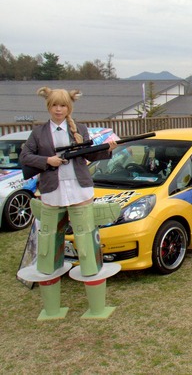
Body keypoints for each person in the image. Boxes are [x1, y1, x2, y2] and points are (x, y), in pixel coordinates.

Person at [19, 87, 119, 316]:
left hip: (78, 189)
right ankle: (52, 308)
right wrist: (48, 160)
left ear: (69, 108)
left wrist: (108, 149)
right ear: (49, 106)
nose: (58, 109)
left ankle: (97, 307)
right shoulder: (39, 132)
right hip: (53, 191)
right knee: (48, 243)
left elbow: (90, 154)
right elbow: (25, 157)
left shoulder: (79, 129)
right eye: (54, 105)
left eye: (62, 105)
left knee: (87, 242)